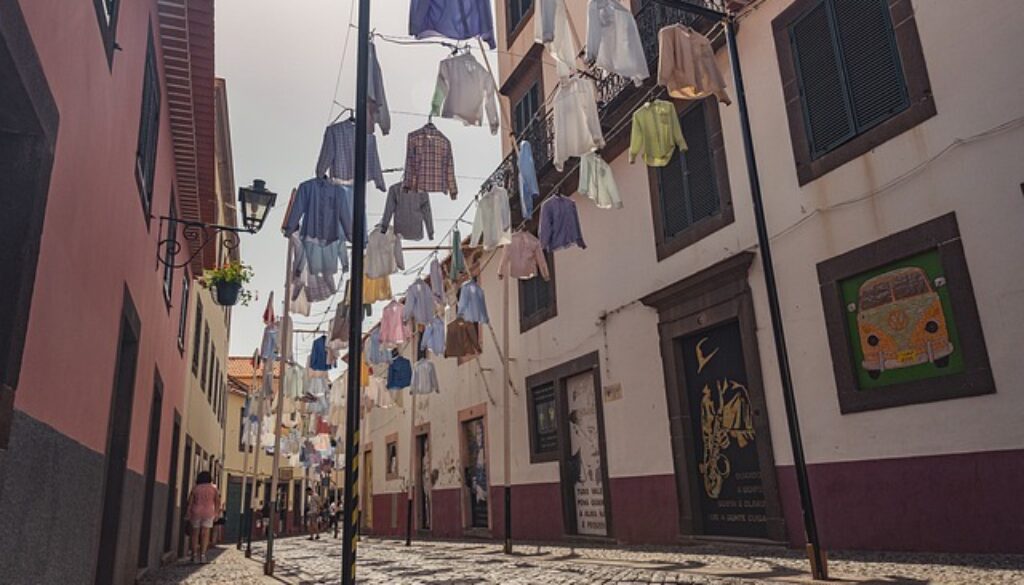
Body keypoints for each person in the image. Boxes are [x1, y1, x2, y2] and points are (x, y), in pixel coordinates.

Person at [186, 471, 220, 563]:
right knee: (205, 534)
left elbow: (190, 502)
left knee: (195, 534)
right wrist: (216, 513)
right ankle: (203, 555)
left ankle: (194, 555)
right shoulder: (214, 488)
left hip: (196, 511)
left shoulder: (195, 488)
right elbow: (217, 501)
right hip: (208, 512)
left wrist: (188, 512)